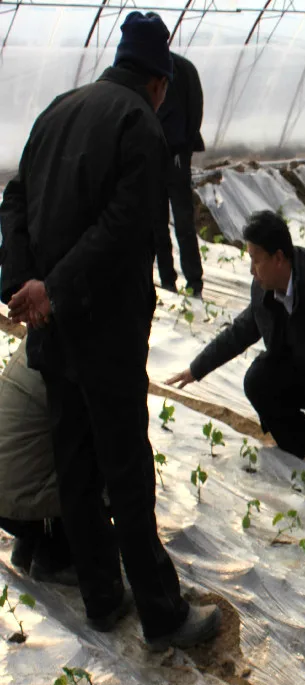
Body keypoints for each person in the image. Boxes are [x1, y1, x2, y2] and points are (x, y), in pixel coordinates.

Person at [0, 11, 220, 649]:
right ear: (159, 82)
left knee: (74, 459)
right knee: (124, 470)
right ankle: (162, 615)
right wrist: (53, 289)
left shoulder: (58, 110)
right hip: (104, 333)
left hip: (53, 331)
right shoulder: (139, 126)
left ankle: (101, 598)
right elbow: (124, 229)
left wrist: (21, 284)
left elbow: (13, 201)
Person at [167, 210, 305, 481]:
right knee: (258, 380)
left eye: (256, 260)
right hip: (301, 371)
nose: (252, 270)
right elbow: (240, 332)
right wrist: (195, 369)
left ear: (279, 258)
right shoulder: (263, 289)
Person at [0, 337, 74, 585]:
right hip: (17, 501)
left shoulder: (38, 337)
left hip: (7, 497)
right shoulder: (71, 353)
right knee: (90, 469)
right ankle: (55, 560)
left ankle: (31, 545)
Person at [155, 51, 205, 299]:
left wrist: (181, 144)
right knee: (163, 220)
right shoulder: (168, 66)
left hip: (173, 153)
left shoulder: (177, 69)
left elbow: (194, 107)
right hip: (164, 153)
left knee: (176, 220)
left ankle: (186, 281)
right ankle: (174, 281)